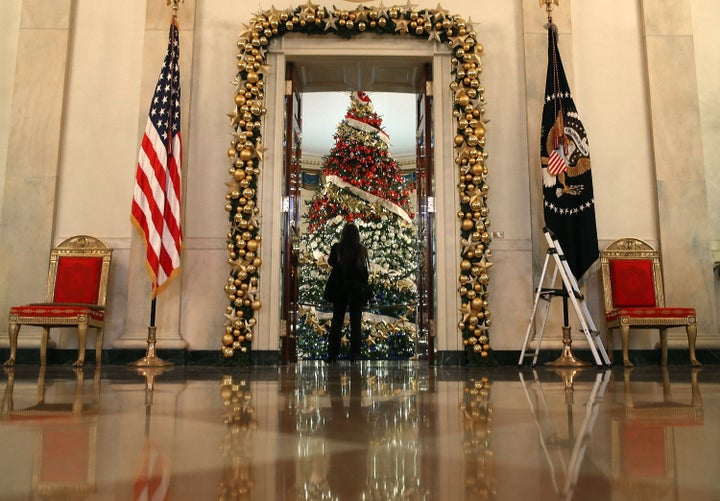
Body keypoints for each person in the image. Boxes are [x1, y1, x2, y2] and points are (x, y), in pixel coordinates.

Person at [327, 222, 369, 362]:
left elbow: (331, 262)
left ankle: (333, 354)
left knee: (337, 322)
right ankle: (355, 354)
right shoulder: (361, 250)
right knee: (356, 323)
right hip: (356, 290)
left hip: (340, 289)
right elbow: (364, 273)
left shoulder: (337, 248)